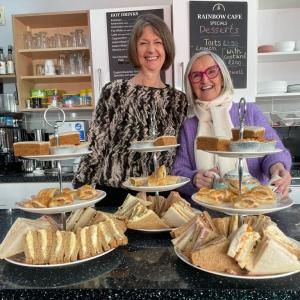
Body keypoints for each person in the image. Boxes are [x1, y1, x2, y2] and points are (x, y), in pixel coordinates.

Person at [73, 14, 188, 205]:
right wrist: (80, 192)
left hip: (159, 193)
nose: (151, 49)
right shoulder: (115, 91)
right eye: (143, 43)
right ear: (135, 49)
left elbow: (178, 153)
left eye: (157, 42)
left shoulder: (178, 100)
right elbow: (95, 144)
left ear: (166, 47)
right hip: (115, 192)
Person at [172, 50, 292, 199]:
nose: (205, 80)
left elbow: (274, 150)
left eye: (211, 71)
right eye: (196, 75)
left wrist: (277, 168)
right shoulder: (189, 126)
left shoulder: (248, 112)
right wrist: (194, 178)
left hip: (252, 207)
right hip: (206, 213)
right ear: (190, 84)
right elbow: (178, 171)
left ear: (223, 77)